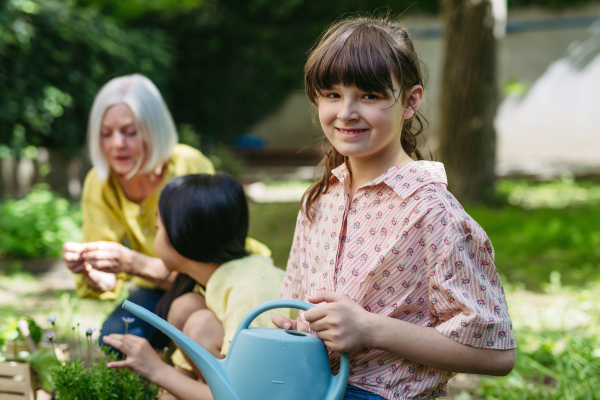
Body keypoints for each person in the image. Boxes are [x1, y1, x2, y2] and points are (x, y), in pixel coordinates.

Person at [270, 16, 517, 400]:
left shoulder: (435, 214)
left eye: (369, 96)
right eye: (332, 94)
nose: (347, 112)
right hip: (309, 384)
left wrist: (369, 329)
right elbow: (299, 305)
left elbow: (497, 354)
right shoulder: (320, 199)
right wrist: (298, 331)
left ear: (410, 101)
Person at [61, 74, 268, 351]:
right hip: (158, 285)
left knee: (204, 326)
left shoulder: (187, 166)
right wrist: (94, 273)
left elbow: (211, 264)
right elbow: (110, 277)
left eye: (130, 132)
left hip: (211, 279)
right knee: (116, 337)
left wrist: (134, 263)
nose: (117, 144)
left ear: (154, 130)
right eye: (106, 133)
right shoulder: (99, 182)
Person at [102, 173, 292, 400]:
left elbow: (248, 395)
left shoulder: (248, 291)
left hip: (274, 393)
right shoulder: (211, 283)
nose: (156, 236)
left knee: (200, 324)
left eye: (158, 227)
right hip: (244, 387)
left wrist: (157, 370)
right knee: (186, 307)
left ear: (181, 235)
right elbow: (184, 375)